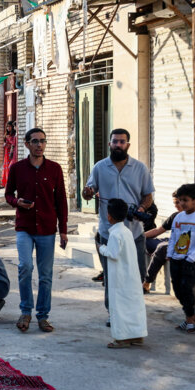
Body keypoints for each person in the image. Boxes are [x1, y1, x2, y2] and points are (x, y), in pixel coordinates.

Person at [83, 129, 154, 320]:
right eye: (115, 141)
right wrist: (87, 192)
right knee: (111, 276)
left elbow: (148, 196)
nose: (118, 145)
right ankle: (113, 314)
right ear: (109, 144)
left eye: (122, 142)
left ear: (128, 145)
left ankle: (133, 314)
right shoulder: (99, 167)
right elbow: (88, 192)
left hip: (135, 233)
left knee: (137, 275)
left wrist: (141, 208)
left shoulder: (140, 168)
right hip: (109, 232)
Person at [5, 128, 68, 333]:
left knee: (46, 275)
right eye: (35, 141)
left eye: (42, 141)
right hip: (25, 226)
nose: (39, 145)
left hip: (47, 229)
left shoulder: (55, 169)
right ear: (26, 144)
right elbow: (7, 195)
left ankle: (43, 316)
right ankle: (25, 311)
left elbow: (61, 201)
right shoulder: (17, 168)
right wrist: (17, 202)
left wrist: (64, 230)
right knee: (25, 267)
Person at [98, 198, 148, 348]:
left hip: (119, 278)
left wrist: (101, 247)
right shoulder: (126, 231)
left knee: (119, 307)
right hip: (131, 276)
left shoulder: (114, 234)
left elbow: (112, 253)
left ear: (109, 216)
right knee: (133, 305)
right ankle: (137, 334)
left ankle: (122, 338)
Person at [166, 183, 195, 334]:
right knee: (178, 290)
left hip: (190, 262)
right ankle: (191, 317)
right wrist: (170, 254)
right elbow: (173, 237)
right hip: (175, 259)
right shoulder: (178, 217)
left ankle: (190, 321)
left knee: (186, 288)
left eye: (185, 200)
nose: (182, 203)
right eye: (180, 200)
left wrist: (191, 258)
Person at [144, 193, 182, 294]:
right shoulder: (175, 216)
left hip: (182, 245)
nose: (176, 205)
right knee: (145, 242)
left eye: (178, 202)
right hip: (170, 241)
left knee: (162, 248)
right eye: (175, 203)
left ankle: (147, 282)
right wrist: (140, 236)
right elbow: (158, 230)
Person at [0, 121, 17, 188]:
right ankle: (5, 182)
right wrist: (5, 145)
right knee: (6, 167)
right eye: (7, 127)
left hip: (12, 153)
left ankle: (10, 183)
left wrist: (9, 139)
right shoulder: (6, 134)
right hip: (7, 153)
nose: (8, 128)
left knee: (10, 167)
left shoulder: (14, 135)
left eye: (9, 126)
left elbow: (13, 143)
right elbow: (5, 143)